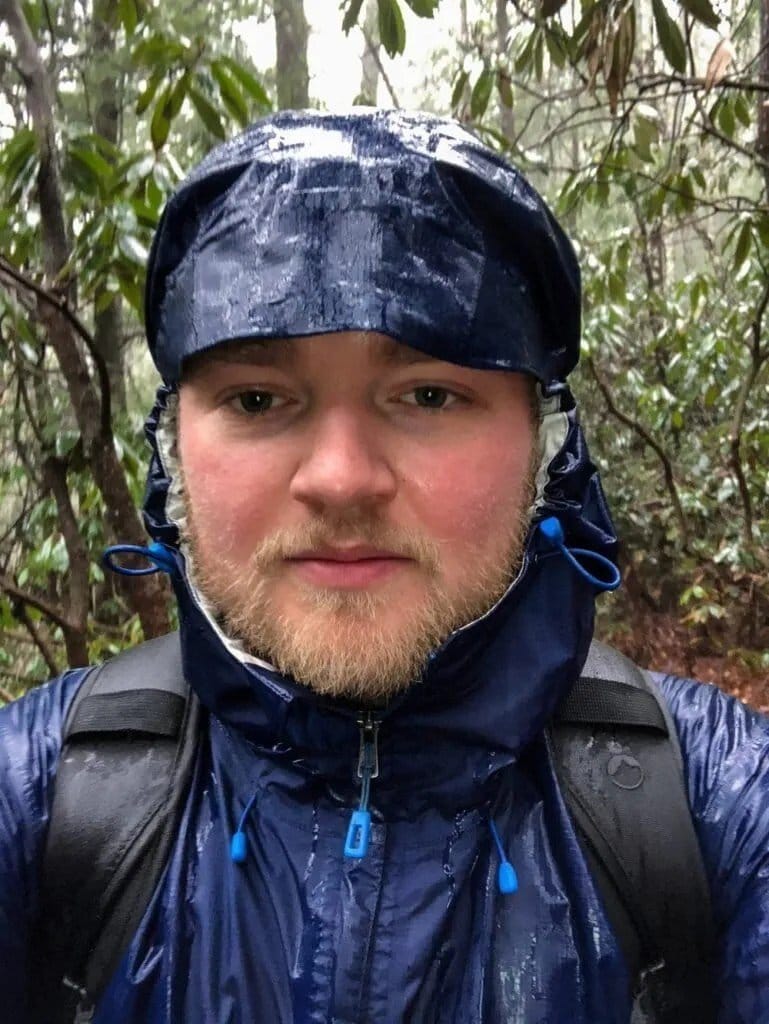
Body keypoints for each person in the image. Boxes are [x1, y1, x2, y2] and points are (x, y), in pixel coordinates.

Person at [1, 109, 768, 1024]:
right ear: (173, 450)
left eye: (430, 394)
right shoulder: (44, 800)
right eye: (256, 397)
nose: (340, 479)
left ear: (544, 444)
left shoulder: (714, 810)